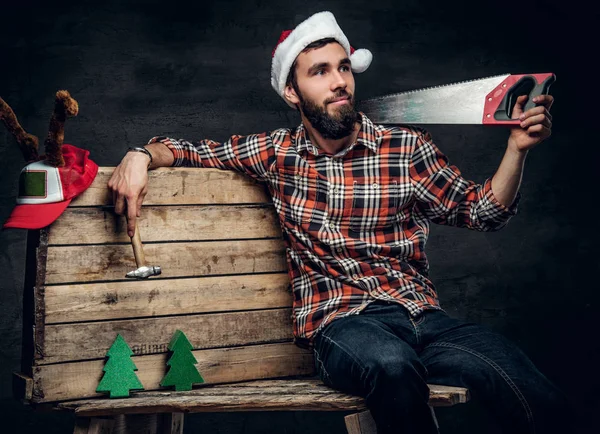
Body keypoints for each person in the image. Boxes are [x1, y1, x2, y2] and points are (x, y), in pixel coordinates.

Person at [108, 11, 574, 434]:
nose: (339, 82)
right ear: (292, 92)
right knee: (392, 367)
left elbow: (481, 211)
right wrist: (140, 154)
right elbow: (189, 150)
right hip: (345, 325)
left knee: (521, 380)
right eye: (320, 72)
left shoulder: (405, 146)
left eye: (344, 67)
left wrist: (515, 150)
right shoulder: (277, 153)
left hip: (424, 321)